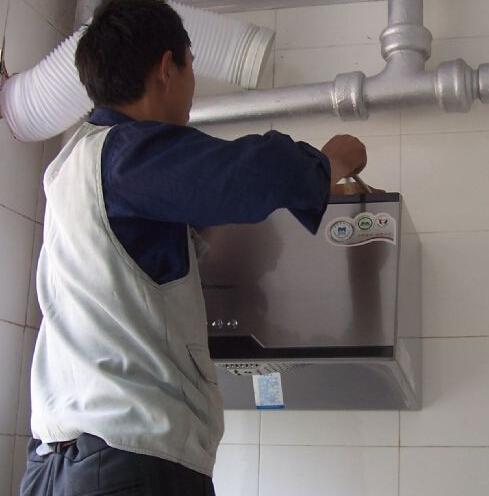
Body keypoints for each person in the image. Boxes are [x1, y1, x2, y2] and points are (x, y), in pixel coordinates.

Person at [20, 0, 367, 494]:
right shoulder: (128, 153)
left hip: (54, 465)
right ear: (167, 68)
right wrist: (329, 162)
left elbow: (136, 263)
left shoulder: (70, 167)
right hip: (127, 459)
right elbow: (249, 171)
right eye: (191, 68)